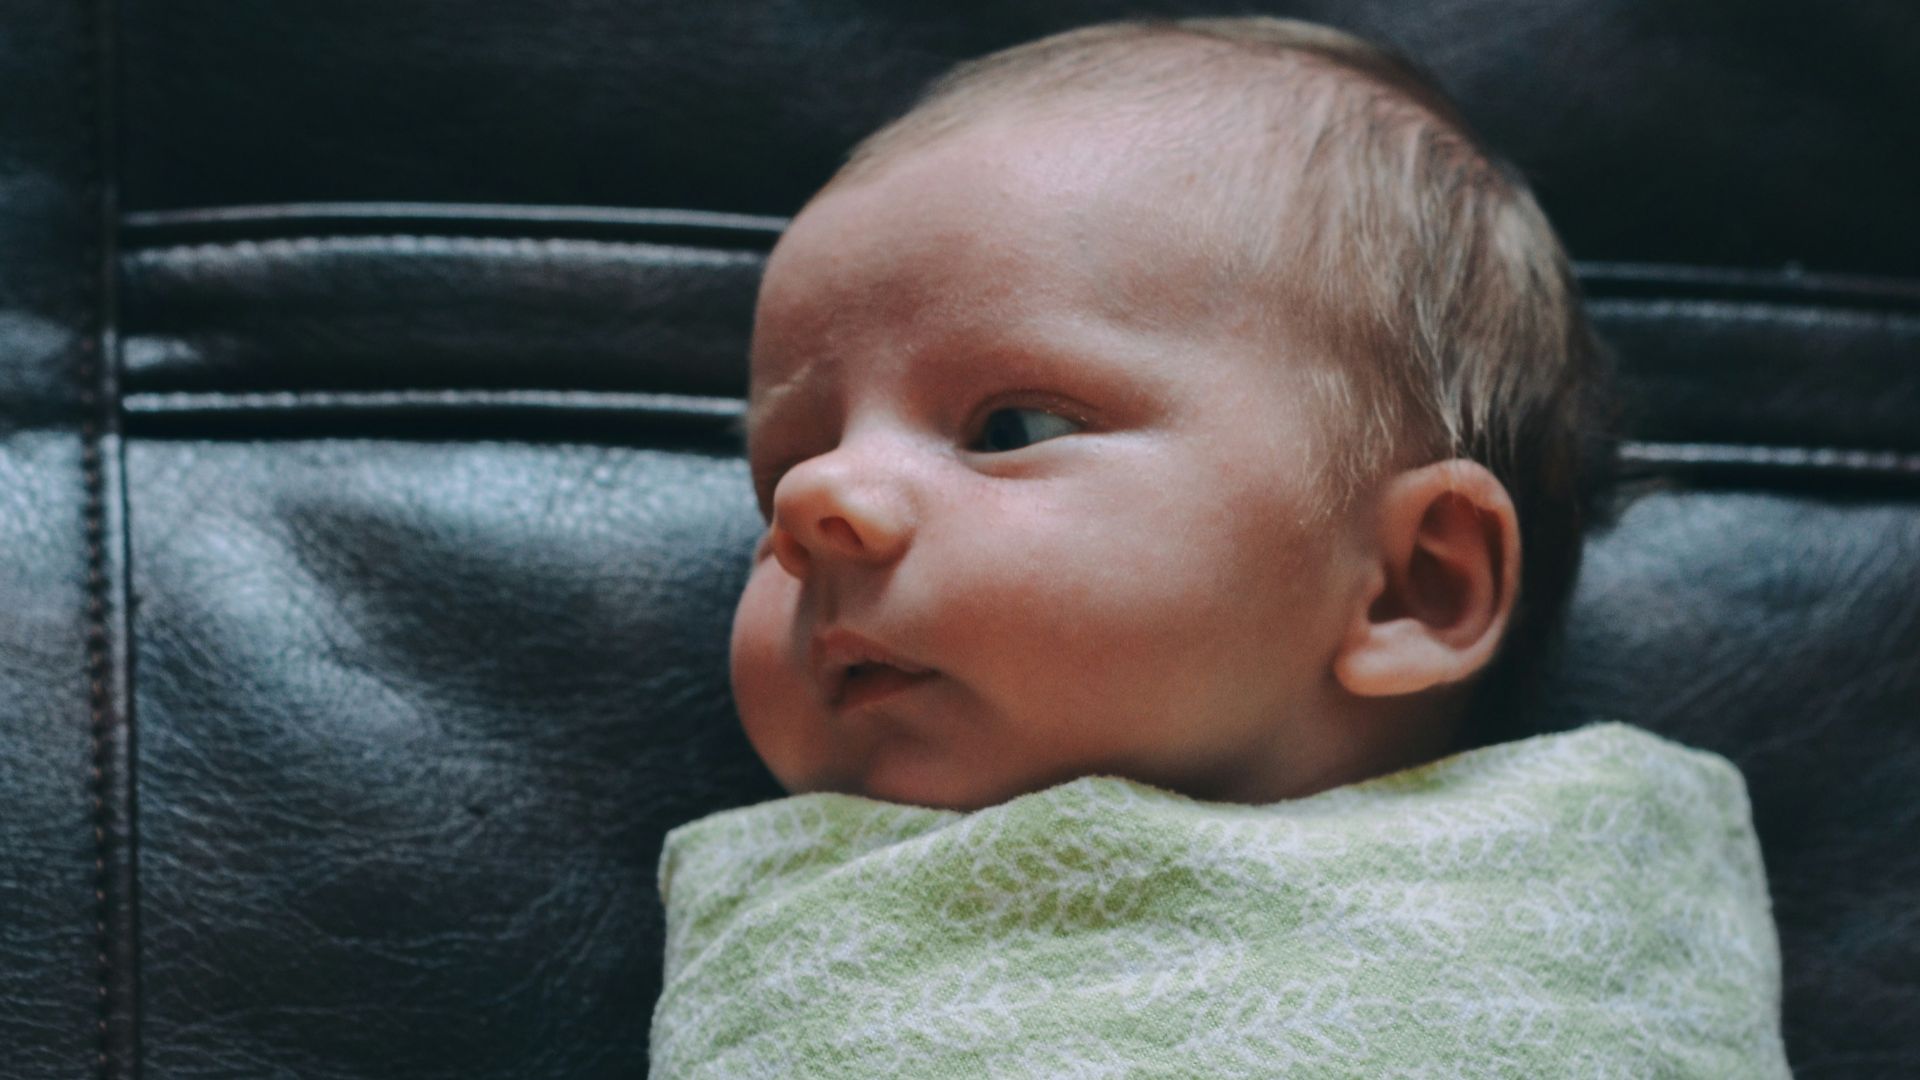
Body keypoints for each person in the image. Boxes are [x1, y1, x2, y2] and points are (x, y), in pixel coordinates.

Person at [653, 17, 1788, 1076]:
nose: (812, 500)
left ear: (1411, 586)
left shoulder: (1589, 900)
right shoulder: (789, 905)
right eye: (780, 470)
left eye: (1013, 430)